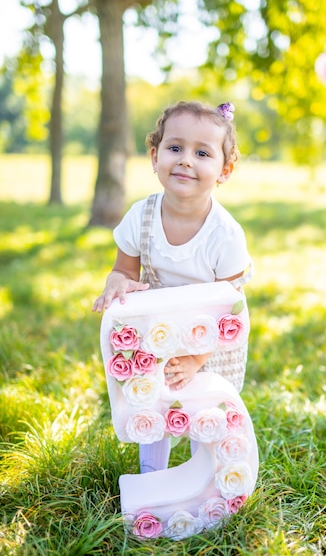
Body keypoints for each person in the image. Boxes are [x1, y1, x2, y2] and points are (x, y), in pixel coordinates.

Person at [93, 100, 253, 472]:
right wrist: (116, 283)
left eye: (202, 153)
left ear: (224, 170)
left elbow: (230, 307)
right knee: (151, 402)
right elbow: (124, 271)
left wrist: (196, 357)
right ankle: (152, 471)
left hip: (208, 337)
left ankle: (207, 469)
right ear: (155, 155)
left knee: (204, 408)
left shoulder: (225, 234)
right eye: (175, 148)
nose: (185, 160)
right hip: (157, 333)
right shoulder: (140, 216)